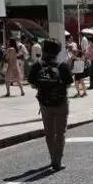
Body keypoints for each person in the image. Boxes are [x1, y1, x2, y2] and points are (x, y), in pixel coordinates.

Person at [28, 39, 73, 171]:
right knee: (60, 133)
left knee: (49, 132)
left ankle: (52, 156)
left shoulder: (38, 65)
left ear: (44, 50)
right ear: (57, 52)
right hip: (60, 102)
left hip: (44, 103)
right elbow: (69, 83)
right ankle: (57, 161)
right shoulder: (62, 66)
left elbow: (31, 84)